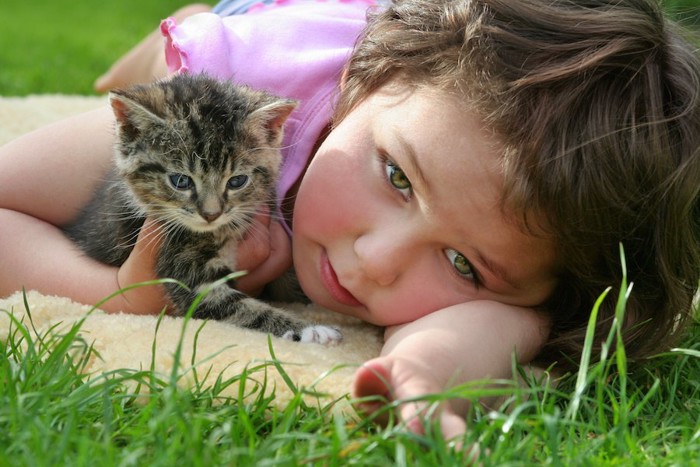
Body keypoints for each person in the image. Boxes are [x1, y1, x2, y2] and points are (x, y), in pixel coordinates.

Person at [1, 0, 698, 443]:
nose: (376, 259)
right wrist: (125, 288)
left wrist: (423, 371)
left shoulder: (433, 138)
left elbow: (518, 316)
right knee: (183, 44)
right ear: (366, 83)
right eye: (397, 176)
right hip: (274, 30)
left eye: (463, 264)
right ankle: (178, 28)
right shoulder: (227, 117)